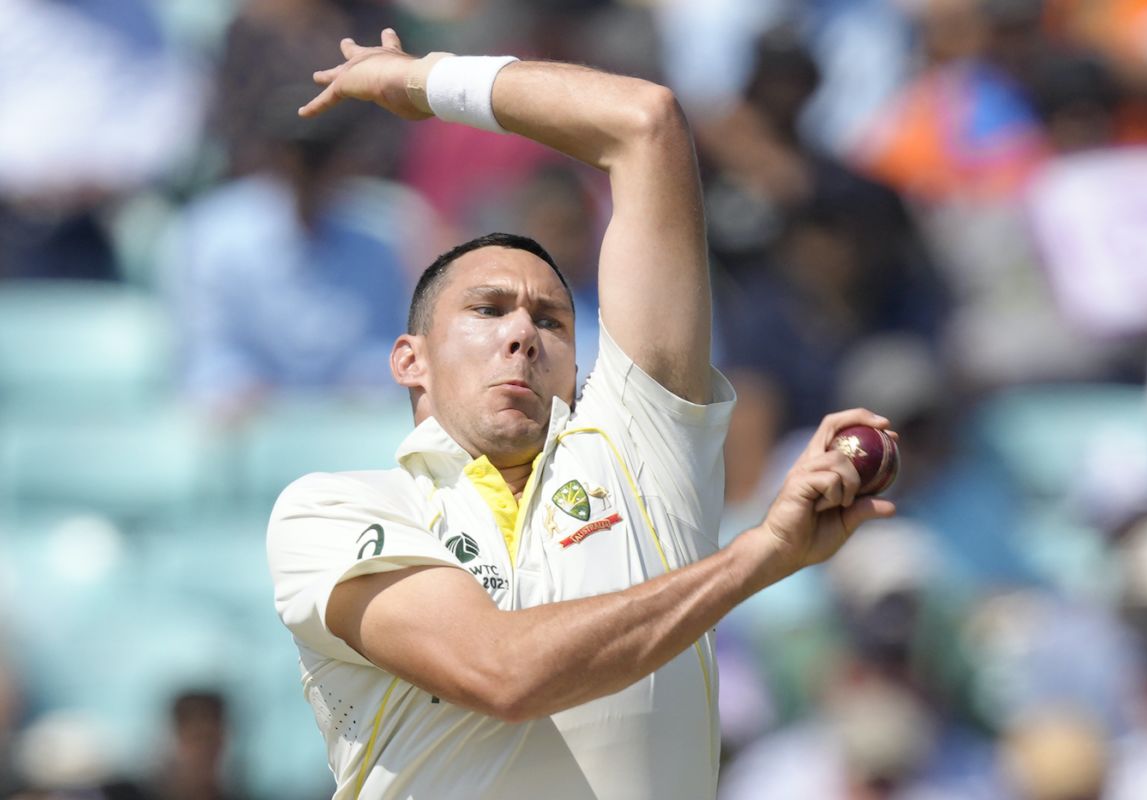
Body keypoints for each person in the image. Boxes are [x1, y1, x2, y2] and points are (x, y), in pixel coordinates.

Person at [266, 29, 897, 800]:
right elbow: (501, 673)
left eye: (552, 321)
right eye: (488, 309)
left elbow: (645, 122)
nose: (522, 333)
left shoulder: (638, 450)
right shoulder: (334, 509)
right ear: (410, 360)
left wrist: (429, 80)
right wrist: (757, 555)